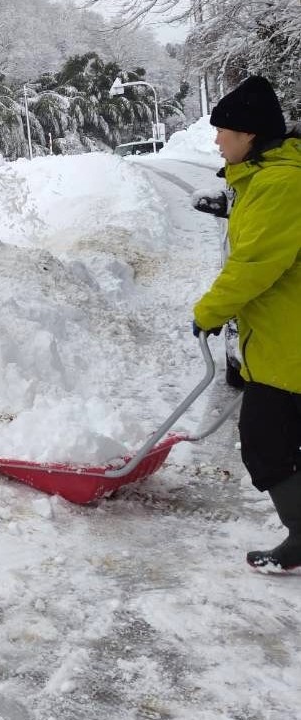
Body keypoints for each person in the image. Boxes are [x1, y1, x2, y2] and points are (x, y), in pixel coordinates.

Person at [192, 74, 301, 572]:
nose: (217, 140)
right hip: (281, 337)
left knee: (264, 445)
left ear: (250, 135)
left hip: (290, 344)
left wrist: (209, 312)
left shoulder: (280, 184)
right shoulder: (266, 177)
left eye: (223, 131)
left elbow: (253, 264)